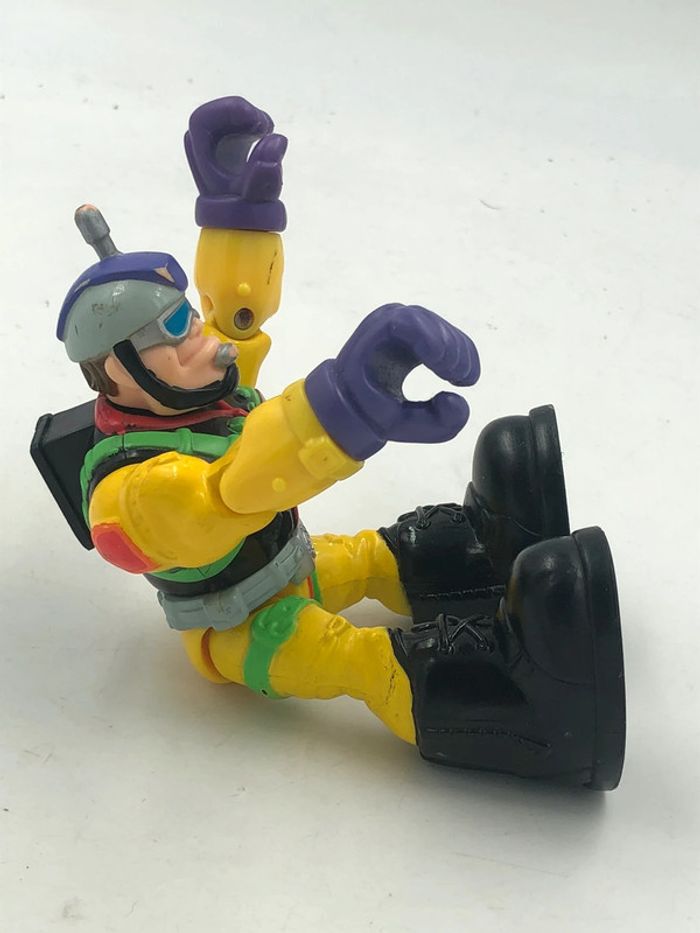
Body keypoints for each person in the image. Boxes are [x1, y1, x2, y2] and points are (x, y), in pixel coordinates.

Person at [38, 97, 626, 789]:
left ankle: (486, 553)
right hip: (242, 632)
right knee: (361, 658)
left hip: (296, 564)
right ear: (118, 372)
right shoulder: (127, 490)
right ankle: (524, 710)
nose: (201, 338)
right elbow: (227, 495)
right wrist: (343, 408)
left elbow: (239, 316)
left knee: (376, 555)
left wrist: (239, 220)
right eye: (172, 331)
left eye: (187, 315)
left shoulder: (195, 390)